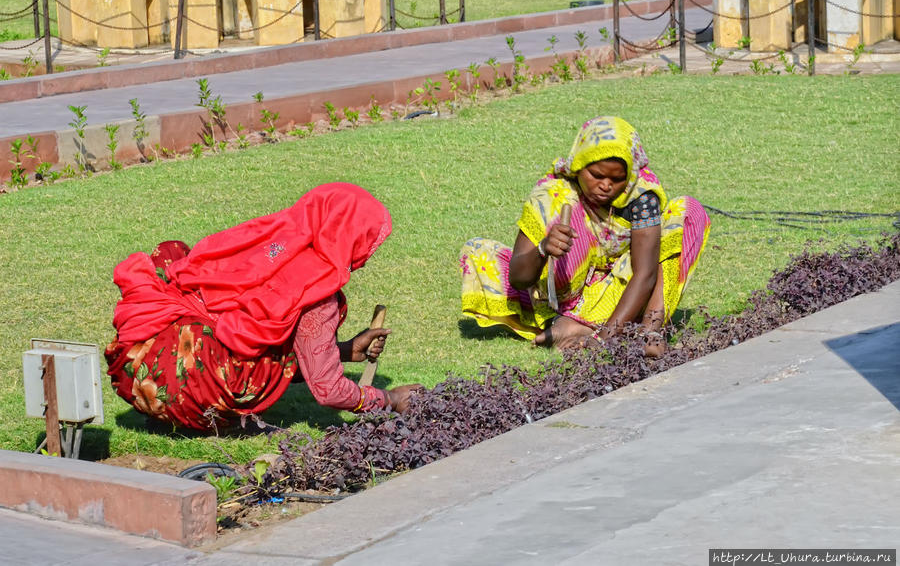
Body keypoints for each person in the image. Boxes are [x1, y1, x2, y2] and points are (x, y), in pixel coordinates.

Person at [105, 183, 422, 431]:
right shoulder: (318, 291)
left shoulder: (268, 239)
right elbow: (329, 391)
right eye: (369, 242)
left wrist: (343, 349)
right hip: (186, 392)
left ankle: (170, 406)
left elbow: (255, 323)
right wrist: (390, 400)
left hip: (139, 356)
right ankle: (205, 419)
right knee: (256, 352)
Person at [459, 116, 710, 354]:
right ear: (579, 166)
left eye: (617, 179)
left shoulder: (641, 195)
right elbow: (518, 278)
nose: (605, 186)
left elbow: (645, 274)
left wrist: (603, 341)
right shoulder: (553, 195)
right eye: (596, 175)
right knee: (479, 253)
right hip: (562, 297)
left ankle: (648, 333)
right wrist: (543, 248)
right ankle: (572, 323)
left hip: (624, 293)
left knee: (689, 211)